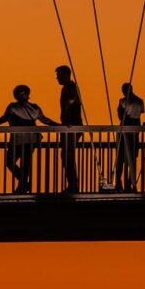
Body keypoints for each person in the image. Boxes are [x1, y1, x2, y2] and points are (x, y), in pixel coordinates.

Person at [0, 85, 59, 193]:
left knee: (10, 162)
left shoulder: (13, 107)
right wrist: (59, 125)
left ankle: (23, 185)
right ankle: (23, 185)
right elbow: (45, 120)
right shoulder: (34, 107)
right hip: (32, 138)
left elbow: (5, 118)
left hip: (18, 139)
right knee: (24, 163)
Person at [55, 65, 83, 193]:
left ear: (66, 75)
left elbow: (74, 98)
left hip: (72, 125)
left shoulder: (70, 86)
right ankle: (72, 184)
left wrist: (67, 108)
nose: (57, 78)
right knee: (66, 155)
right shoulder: (66, 88)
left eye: (59, 75)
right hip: (69, 125)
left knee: (68, 155)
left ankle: (73, 185)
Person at [115, 83, 144, 192]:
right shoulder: (140, 101)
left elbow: (120, 115)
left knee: (120, 157)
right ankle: (130, 183)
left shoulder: (122, 101)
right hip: (135, 131)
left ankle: (118, 182)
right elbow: (140, 114)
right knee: (132, 158)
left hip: (124, 131)